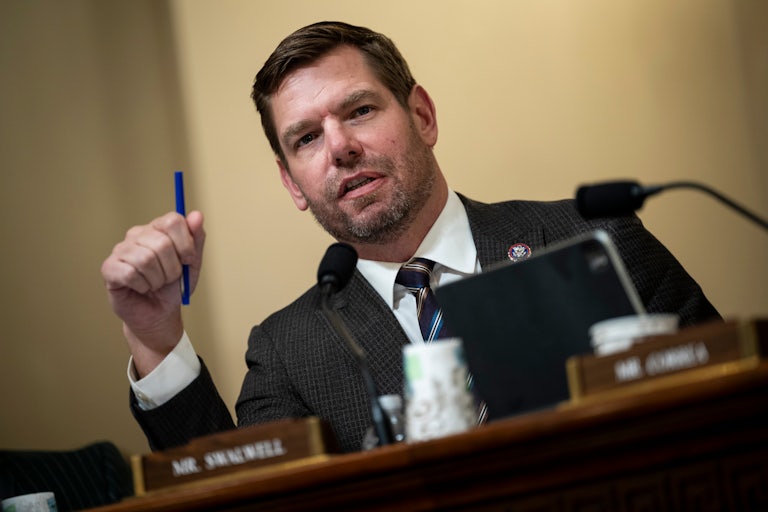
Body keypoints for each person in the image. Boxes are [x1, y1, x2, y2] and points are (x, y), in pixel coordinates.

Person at [100, 21, 720, 454]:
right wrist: (157, 342)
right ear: (293, 184)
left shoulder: (592, 237)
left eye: (360, 110)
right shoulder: (289, 350)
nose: (340, 148)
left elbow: (732, 407)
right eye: (306, 139)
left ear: (421, 116)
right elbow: (240, 493)